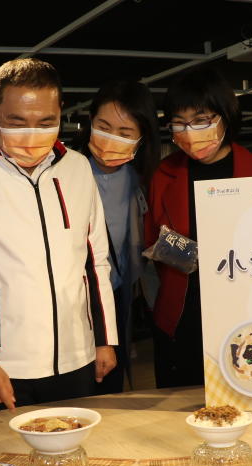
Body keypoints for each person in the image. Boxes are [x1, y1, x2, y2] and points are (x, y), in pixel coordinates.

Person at [0, 58, 118, 414]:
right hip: (4, 362)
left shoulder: (77, 168)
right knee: (5, 463)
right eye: (17, 122)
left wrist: (105, 339)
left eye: (46, 122)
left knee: (79, 456)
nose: (32, 135)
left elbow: (96, 260)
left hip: (78, 354)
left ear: (61, 112)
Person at [145, 67, 252, 389]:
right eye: (179, 123)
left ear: (225, 117)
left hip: (248, 310)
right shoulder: (165, 175)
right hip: (184, 311)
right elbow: (152, 240)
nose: (190, 133)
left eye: (201, 120)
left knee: (251, 397)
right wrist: (195, 256)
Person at [71, 80, 160, 394]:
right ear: (90, 122)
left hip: (119, 296)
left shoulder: (142, 177)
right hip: (75, 302)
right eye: (103, 127)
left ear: (142, 137)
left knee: (111, 387)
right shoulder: (67, 170)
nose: (111, 141)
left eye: (124, 134)